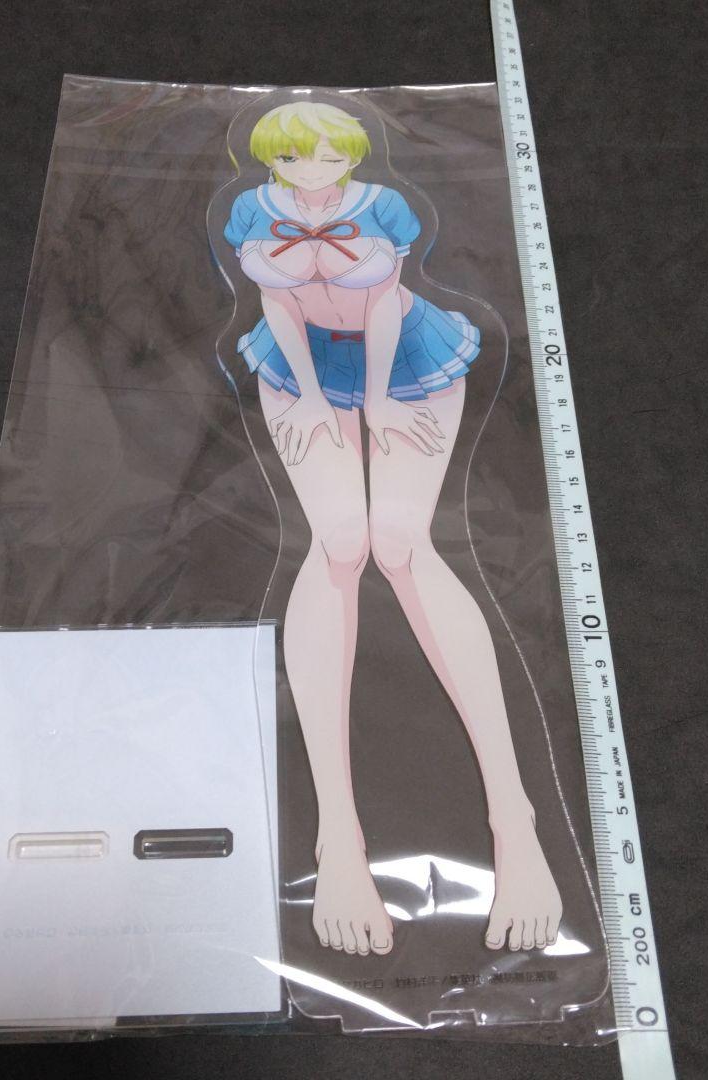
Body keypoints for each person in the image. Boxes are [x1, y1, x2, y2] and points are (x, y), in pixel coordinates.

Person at [224, 100, 562, 957]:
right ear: (270, 160)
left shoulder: (382, 207)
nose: (310, 170)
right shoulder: (254, 212)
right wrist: (309, 397)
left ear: (353, 153)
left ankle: (514, 818)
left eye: (326, 155)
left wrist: (375, 401)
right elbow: (279, 306)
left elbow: (382, 308)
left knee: (402, 545)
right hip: (298, 363)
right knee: (339, 543)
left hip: (404, 355)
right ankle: (338, 836)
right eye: (292, 157)